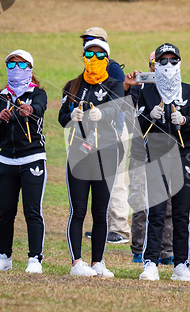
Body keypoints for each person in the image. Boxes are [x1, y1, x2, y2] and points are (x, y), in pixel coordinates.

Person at [58, 39, 124, 277]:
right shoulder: (73, 85)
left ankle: (98, 262)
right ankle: (77, 263)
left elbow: (116, 108)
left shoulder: (115, 84)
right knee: (78, 210)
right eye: (89, 53)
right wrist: (72, 115)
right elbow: (61, 116)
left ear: (106, 58)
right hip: (79, 154)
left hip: (107, 152)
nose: (93, 58)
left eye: (99, 55)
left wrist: (101, 113)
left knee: (100, 211)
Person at [138, 43, 190, 281]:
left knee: (182, 215)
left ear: (179, 63)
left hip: (184, 155)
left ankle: (181, 264)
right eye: (162, 61)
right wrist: (148, 116)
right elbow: (137, 125)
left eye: (173, 60)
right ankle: (150, 262)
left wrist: (184, 120)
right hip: (157, 154)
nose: (168, 65)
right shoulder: (147, 91)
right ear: (156, 64)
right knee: (156, 211)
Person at [0, 50, 47, 274]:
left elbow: (39, 110)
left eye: (21, 65)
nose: (16, 70)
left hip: (32, 158)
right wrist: (0, 120)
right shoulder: (0, 96)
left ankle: (34, 259)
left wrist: (29, 111)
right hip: (5, 161)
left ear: (30, 69)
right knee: (4, 211)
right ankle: (3, 257)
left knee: (32, 210)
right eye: (11, 66)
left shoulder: (38, 93)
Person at [80, 27, 131, 244]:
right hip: (98, 133)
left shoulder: (113, 69)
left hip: (116, 131)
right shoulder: (88, 70)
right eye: (86, 41)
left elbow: (118, 104)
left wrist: (118, 133)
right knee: (100, 179)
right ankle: (103, 226)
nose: (88, 44)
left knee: (117, 179)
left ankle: (119, 229)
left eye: (92, 40)